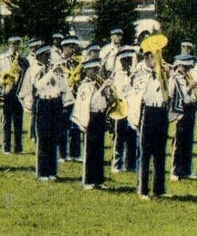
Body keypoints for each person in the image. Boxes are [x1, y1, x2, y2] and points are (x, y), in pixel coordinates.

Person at [21, 45, 70, 181]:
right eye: (46, 56)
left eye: (49, 55)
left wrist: (60, 75)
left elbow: (64, 88)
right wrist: (51, 73)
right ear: (39, 57)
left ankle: (52, 171)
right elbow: (37, 86)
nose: (48, 59)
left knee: (53, 138)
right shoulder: (33, 70)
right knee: (43, 138)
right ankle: (42, 172)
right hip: (42, 103)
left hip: (55, 103)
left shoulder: (54, 69)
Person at [133, 45, 171, 200]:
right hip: (148, 112)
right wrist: (157, 73)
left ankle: (159, 188)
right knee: (145, 152)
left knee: (160, 152)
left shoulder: (163, 73)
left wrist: (167, 75)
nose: (159, 60)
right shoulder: (142, 73)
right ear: (148, 58)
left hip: (161, 112)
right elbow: (141, 92)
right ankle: (143, 189)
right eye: (156, 57)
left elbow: (168, 94)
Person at [72, 58, 108, 189]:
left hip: (100, 115)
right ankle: (88, 181)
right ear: (87, 71)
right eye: (93, 70)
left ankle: (99, 180)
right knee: (90, 150)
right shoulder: (85, 86)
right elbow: (90, 102)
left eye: (97, 70)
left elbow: (103, 100)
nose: (96, 73)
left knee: (99, 149)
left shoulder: (98, 83)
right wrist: (102, 89)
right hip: (91, 117)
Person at [0, 36, 29, 154]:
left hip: (18, 92)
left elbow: (27, 77)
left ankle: (18, 147)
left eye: (17, 44)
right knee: (6, 120)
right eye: (13, 44)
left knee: (18, 121)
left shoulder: (23, 60)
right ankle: (6, 146)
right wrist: (2, 82)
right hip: (6, 92)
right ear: (9, 45)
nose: (15, 46)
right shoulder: (1, 59)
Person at [169, 53, 197, 181]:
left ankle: (187, 170)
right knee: (179, 141)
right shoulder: (175, 78)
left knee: (188, 140)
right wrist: (190, 87)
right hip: (181, 110)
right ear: (180, 65)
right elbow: (180, 96)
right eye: (186, 67)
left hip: (191, 109)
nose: (188, 69)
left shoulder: (188, 76)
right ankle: (175, 171)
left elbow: (191, 96)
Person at [111, 47, 140, 173]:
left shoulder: (134, 73)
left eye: (128, 60)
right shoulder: (118, 74)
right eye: (124, 61)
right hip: (121, 107)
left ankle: (131, 164)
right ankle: (117, 164)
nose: (126, 63)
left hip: (132, 107)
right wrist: (130, 79)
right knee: (120, 136)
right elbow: (120, 90)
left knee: (132, 135)